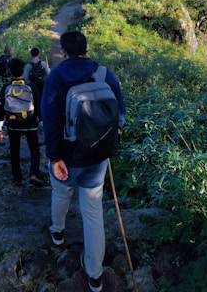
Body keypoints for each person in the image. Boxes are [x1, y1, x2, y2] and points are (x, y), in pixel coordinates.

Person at [41, 31, 126, 292]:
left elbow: (50, 120)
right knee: (93, 212)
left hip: (68, 156)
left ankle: (58, 232)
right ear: (86, 50)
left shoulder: (56, 77)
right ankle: (95, 275)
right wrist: (105, 140)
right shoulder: (105, 74)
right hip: (98, 156)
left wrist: (55, 157)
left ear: (63, 52)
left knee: (61, 192)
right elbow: (120, 115)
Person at [0, 57, 44, 188]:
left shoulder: (5, 88)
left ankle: (17, 178)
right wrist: (43, 123)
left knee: (14, 149)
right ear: (23, 70)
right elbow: (39, 107)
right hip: (30, 123)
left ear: (10, 71)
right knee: (34, 149)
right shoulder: (31, 86)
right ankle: (34, 174)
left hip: (13, 124)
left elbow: (0, 109)